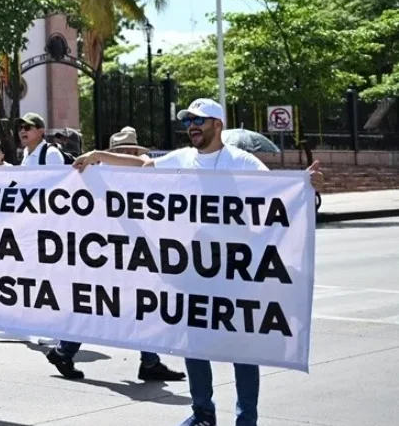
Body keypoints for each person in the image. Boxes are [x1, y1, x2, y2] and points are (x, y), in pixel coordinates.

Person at [73, 98, 325, 426]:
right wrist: (97, 156)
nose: (192, 126)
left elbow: (278, 191)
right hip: (194, 266)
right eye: (188, 121)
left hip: (236, 266)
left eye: (199, 121)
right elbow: (144, 166)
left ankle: (246, 419)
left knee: (242, 347)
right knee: (194, 342)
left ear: (217, 125)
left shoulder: (241, 161)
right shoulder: (182, 158)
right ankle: (203, 413)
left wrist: (307, 185)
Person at [46, 127, 185, 382]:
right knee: (107, 304)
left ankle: (148, 361)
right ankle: (65, 350)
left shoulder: (136, 175)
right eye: (123, 152)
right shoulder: (100, 176)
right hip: (112, 251)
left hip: (130, 250)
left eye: (131, 150)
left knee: (137, 304)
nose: (129, 154)